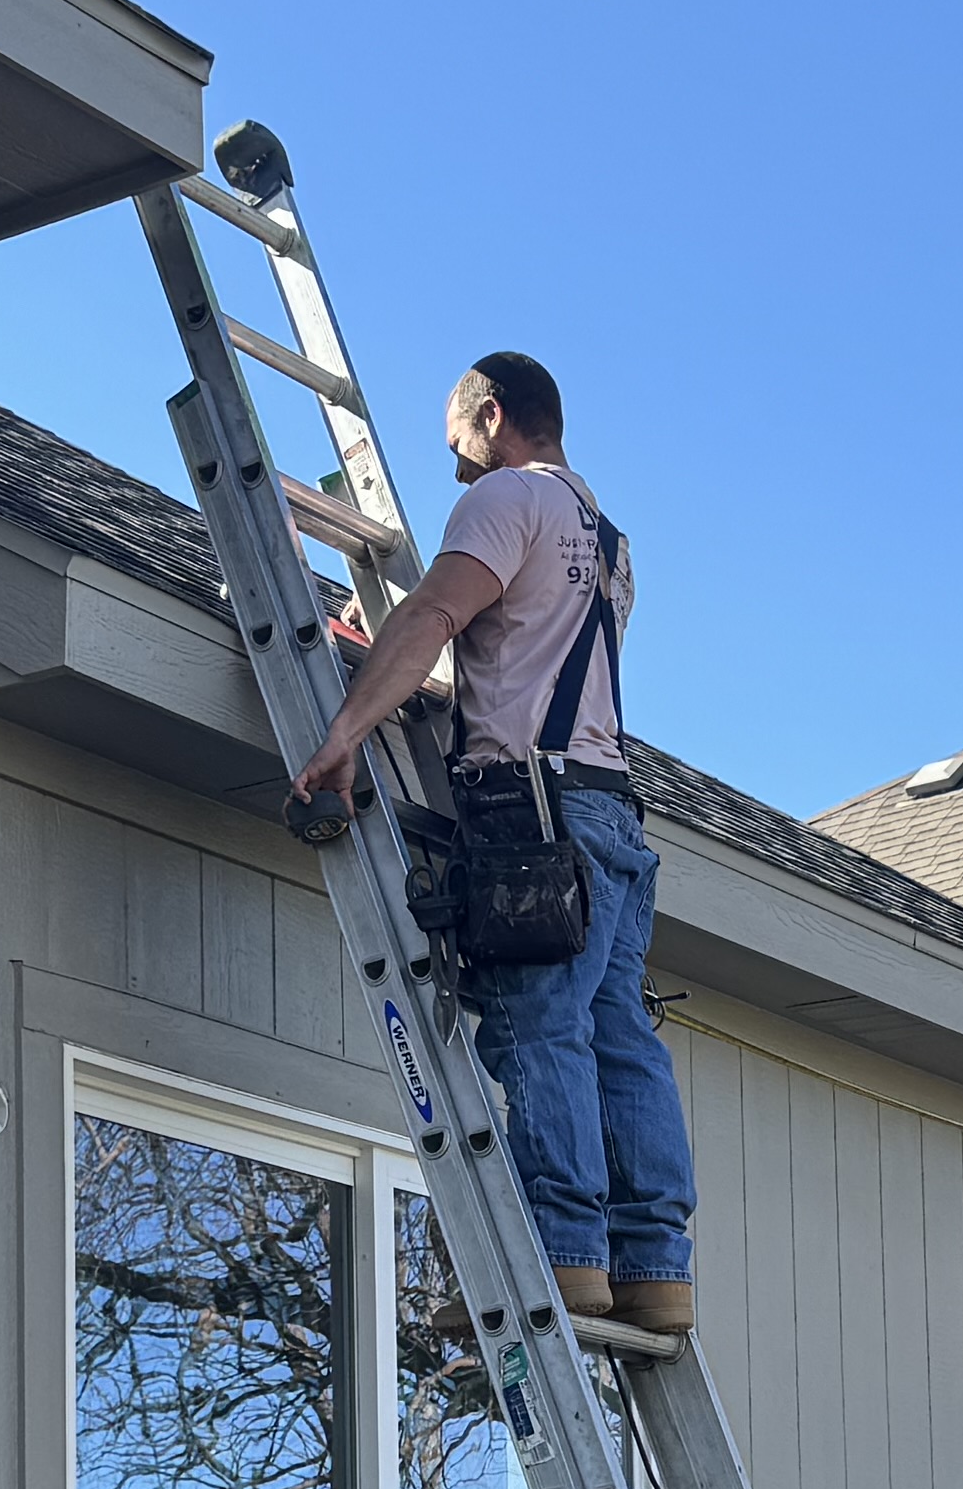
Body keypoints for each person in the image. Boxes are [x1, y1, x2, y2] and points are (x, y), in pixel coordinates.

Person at [295, 351, 694, 1335]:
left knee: (533, 1029)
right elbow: (521, 648)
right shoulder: (604, 534)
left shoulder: (508, 498)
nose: (459, 473)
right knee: (620, 1040)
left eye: (459, 447)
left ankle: (564, 1255)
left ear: (493, 415)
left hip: (532, 806)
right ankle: (653, 1266)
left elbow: (437, 614)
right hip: (608, 812)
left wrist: (345, 733)